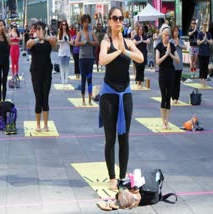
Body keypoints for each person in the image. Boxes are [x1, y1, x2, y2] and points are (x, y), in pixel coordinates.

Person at [99, 7, 143, 190]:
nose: (118, 21)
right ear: (109, 21)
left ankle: (123, 175)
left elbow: (140, 58)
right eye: (115, 18)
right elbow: (102, 60)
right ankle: (111, 177)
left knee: (124, 137)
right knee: (110, 138)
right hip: (109, 94)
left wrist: (125, 51)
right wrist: (118, 52)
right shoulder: (105, 42)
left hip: (125, 93)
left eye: (121, 18)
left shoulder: (128, 42)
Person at [27, 21, 57, 132]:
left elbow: (54, 42)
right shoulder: (33, 41)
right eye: (37, 29)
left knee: (45, 98)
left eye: (40, 28)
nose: (38, 30)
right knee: (38, 98)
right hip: (35, 72)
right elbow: (28, 44)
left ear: (44, 29)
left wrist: (44, 37)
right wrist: (37, 38)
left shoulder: (48, 41)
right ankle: (38, 124)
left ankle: (45, 124)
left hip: (47, 72)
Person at [156, 24, 180, 130]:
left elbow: (178, 60)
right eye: (165, 35)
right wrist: (166, 54)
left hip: (171, 72)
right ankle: (163, 121)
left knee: (169, 97)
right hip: (162, 73)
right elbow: (157, 62)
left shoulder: (172, 46)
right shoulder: (159, 46)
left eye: (168, 35)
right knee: (163, 96)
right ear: (162, 35)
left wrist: (170, 54)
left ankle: (167, 121)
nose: (167, 37)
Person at [75, 14, 98, 105]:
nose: (86, 24)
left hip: (90, 58)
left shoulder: (91, 32)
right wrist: (83, 43)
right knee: (83, 78)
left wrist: (89, 42)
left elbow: (97, 42)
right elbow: (76, 43)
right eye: (85, 22)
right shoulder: (80, 33)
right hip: (82, 58)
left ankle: (89, 98)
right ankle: (83, 99)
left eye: (88, 22)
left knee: (90, 78)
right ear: (82, 23)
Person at [0, 20, 11, 102]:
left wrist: (6, 35)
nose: (1, 27)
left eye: (2, 25)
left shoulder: (7, 35)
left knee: (4, 81)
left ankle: (4, 99)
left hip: (6, 62)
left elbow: (10, 44)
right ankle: (0, 100)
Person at [170, 26, 186, 104]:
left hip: (179, 65)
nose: (176, 32)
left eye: (177, 31)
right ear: (172, 32)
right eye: (175, 31)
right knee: (173, 82)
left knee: (178, 83)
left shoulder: (180, 40)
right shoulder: (171, 41)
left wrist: (178, 45)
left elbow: (185, 47)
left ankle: (177, 98)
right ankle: (173, 98)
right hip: (172, 64)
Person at [197, 22, 213, 88]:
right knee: (202, 67)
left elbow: (211, 42)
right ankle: (201, 81)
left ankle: (205, 81)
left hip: (207, 53)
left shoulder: (208, 34)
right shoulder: (200, 34)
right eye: (204, 25)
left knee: (205, 67)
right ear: (202, 26)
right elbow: (198, 43)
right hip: (201, 53)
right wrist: (203, 40)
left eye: (206, 26)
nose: (205, 27)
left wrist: (207, 39)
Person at [57, 20, 72, 87]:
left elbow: (71, 43)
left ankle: (66, 82)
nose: (64, 26)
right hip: (61, 52)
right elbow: (57, 42)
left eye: (65, 24)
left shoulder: (68, 33)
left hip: (67, 52)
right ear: (61, 25)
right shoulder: (59, 33)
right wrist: (63, 40)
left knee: (67, 67)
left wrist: (67, 41)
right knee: (62, 67)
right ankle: (63, 82)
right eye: (63, 24)